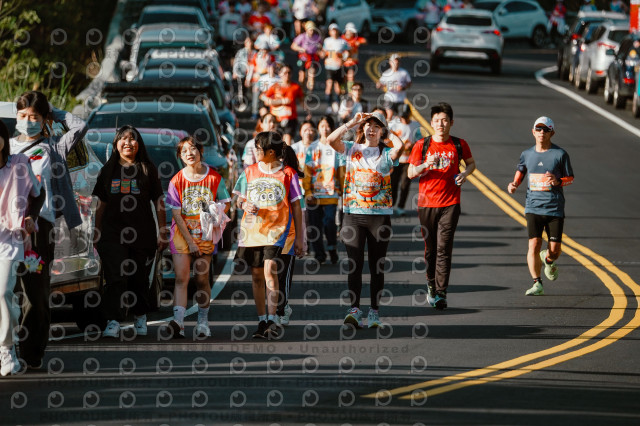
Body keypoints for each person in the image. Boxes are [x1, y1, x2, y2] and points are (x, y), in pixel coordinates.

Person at [10, 90, 87, 369]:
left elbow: (80, 126)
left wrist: (56, 112)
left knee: (36, 293)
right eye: (22, 116)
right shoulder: (6, 147)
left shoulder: (53, 147)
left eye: (34, 117)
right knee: (5, 291)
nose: (27, 121)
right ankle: (7, 347)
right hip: (7, 228)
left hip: (39, 228)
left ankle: (31, 352)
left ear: (44, 119)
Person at [327, 111, 403, 328]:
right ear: (363, 129)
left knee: (377, 266)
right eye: (369, 125)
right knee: (355, 265)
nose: (372, 129)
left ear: (381, 131)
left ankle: (374, 313)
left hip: (379, 218)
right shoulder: (352, 149)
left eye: (376, 126)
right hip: (353, 217)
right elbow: (331, 140)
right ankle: (354, 310)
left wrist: (387, 131)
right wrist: (352, 122)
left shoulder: (386, 153)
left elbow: (399, 147)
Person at [92, 125, 167, 338]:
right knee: (115, 278)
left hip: (142, 233)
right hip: (112, 234)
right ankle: (113, 320)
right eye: (123, 139)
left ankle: (140, 315)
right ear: (116, 144)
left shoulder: (147, 169)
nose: (128, 143)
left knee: (138, 277)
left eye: (132, 139)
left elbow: (159, 201)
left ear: (139, 144)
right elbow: (101, 203)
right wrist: (96, 230)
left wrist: (162, 231)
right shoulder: (107, 170)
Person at [233, 131, 305, 339]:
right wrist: (244, 204)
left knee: (270, 269)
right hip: (252, 232)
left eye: (258, 149)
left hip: (278, 231)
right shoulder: (250, 171)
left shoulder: (288, 174)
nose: (255, 152)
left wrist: (300, 238)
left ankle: (272, 319)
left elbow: (297, 207)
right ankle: (262, 320)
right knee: (257, 276)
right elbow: (238, 200)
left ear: (271, 152)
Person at [407, 102, 476, 310]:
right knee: (431, 250)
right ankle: (430, 283)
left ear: (451, 123)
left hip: (451, 203)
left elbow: (471, 164)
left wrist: (465, 174)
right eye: (437, 120)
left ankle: (441, 292)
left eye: (445, 120)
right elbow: (410, 173)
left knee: (444, 248)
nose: (441, 124)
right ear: (431, 122)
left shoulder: (459, 144)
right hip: (427, 204)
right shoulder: (422, 145)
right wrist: (426, 164)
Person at [165, 137, 231, 338]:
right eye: (184, 151)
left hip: (205, 234)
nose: (189, 153)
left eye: (193, 149)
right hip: (182, 235)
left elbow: (226, 201)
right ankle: (178, 322)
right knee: (181, 277)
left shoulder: (214, 178)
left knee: (201, 279)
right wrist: (190, 242)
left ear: (200, 151)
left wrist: (217, 213)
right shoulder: (176, 181)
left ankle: (203, 322)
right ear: (180, 156)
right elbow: (176, 214)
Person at [507, 117, 574, 296]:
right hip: (533, 207)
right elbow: (521, 170)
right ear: (533, 132)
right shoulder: (527, 154)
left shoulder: (560, 154)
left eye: (546, 130)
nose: (542, 133)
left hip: (554, 208)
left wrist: (558, 181)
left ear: (552, 133)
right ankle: (537, 283)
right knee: (534, 244)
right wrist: (514, 184)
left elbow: (570, 178)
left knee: (555, 250)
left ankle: (549, 260)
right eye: (539, 129)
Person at [0, 120, 43, 376]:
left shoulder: (18, 164)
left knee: (4, 292)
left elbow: (39, 193)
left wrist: (31, 217)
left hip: (8, 237)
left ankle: (7, 348)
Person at [303, 115, 345, 264]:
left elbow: (341, 171)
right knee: (315, 226)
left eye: (327, 126)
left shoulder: (337, 147)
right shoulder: (312, 148)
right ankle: (319, 254)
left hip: (331, 194)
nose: (325, 129)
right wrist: (307, 192)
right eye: (322, 126)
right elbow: (307, 172)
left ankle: (332, 247)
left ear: (332, 128)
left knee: (329, 223)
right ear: (318, 129)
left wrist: (343, 191)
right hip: (314, 195)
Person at [261, 64, 308, 145]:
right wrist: (278, 102)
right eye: (285, 73)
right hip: (276, 118)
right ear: (280, 74)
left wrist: (307, 112)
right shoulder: (275, 86)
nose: (287, 75)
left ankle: (286, 153)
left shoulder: (295, 87)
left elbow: (301, 101)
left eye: (289, 73)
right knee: (276, 140)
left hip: (290, 118)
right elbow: (264, 97)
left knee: (287, 141)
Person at [389, 104, 422, 216]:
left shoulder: (415, 125)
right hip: (395, 159)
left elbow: (420, 141)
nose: (403, 119)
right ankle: (391, 204)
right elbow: (388, 140)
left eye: (405, 116)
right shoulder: (394, 125)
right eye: (402, 117)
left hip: (408, 161)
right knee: (393, 183)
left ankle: (401, 207)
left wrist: (412, 145)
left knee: (405, 184)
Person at [322, 23, 350, 114]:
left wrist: (344, 58)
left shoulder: (343, 41)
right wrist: (323, 54)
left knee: (338, 87)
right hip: (329, 66)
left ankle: (337, 103)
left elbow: (348, 51)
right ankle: (329, 106)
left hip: (339, 67)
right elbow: (324, 51)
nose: (334, 32)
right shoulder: (327, 41)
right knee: (329, 85)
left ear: (338, 31)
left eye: (335, 30)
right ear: (330, 32)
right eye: (332, 30)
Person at [376, 54, 412, 121]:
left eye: (397, 61)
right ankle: (387, 127)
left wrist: (403, 88)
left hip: (400, 99)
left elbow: (409, 83)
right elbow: (380, 83)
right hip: (389, 99)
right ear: (390, 63)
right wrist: (380, 85)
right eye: (394, 61)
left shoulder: (404, 73)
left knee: (402, 118)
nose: (396, 63)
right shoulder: (387, 73)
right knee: (389, 116)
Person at [291, 20, 323, 92]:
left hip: (313, 58)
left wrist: (320, 51)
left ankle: (310, 92)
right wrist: (301, 49)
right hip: (304, 57)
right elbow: (293, 46)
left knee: (311, 75)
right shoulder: (302, 36)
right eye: (310, 30)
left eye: (313, 30)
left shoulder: (317, 37)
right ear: (306, 29)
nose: (312, 31)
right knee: (302, 76)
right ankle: (301, 91)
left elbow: (320, 47)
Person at [341, 22, 367, 87]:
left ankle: (350, 91)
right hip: (342, 62)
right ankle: (342, 91)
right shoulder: (342, 39)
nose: (352, 33)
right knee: (343, 79)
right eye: (350, 31)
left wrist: (359, 43)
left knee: (351, 77)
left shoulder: (356, 38)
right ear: (347, 31)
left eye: (353, 32)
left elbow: (364, 41)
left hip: (352, 62)